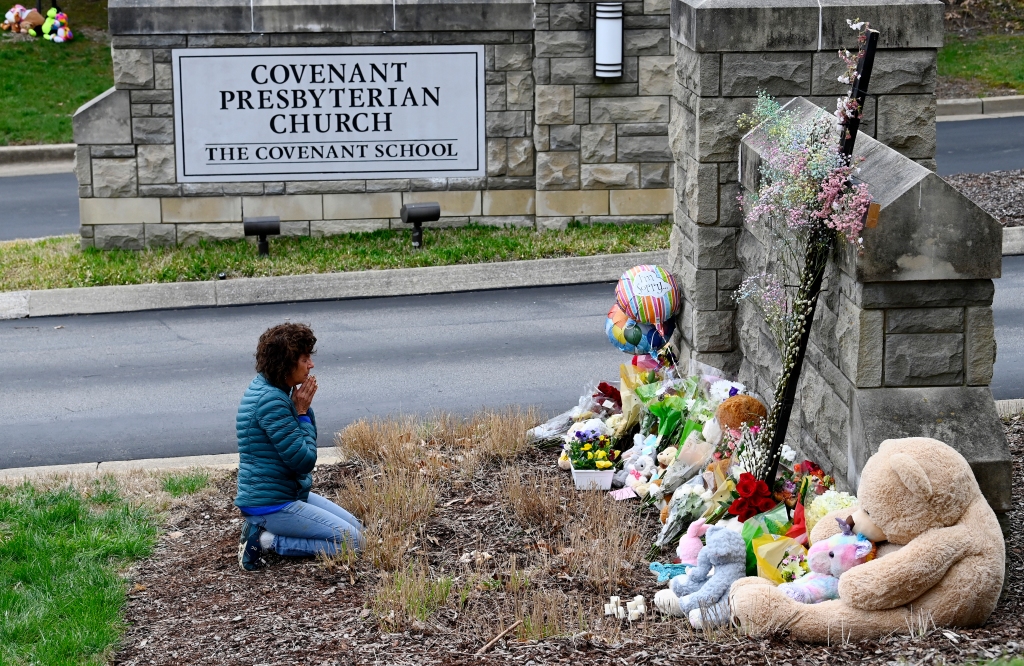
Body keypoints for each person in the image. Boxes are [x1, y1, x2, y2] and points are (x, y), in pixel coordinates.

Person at [235, 323, 364, 571]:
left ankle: (262, 528)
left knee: (358, 529)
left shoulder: (274, 388)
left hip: (285, 493)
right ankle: (265, 540)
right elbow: (303, 461)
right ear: (286, 364)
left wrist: (301, 410)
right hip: (272, 504)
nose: (311, 365)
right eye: (305, 359)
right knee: (356, 543)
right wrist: (302, 411)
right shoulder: (271, 401)